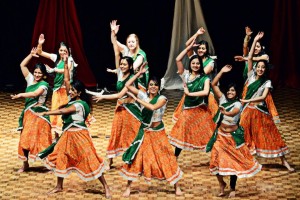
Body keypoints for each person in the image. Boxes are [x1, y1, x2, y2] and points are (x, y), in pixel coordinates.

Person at [37, 54, 111, 198]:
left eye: (72, 91)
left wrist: (46, 113)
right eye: (70, 90)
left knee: (90, 159)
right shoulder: (73, 98)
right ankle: (59, 186)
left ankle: (106, 186)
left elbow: (63, 111)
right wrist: (65, 64)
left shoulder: (79, 104)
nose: (69, 92)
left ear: (79, 93)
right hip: (67, 135)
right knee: (61, 157)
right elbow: (66, 80)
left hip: (79, 135)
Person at [120, 64, 183, 197]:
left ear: (159, 87)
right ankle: (128, 187)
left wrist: (137, 99)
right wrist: (137, 74)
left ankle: (176, 186)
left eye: (155, 85)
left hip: (158, 133)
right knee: (136, 158)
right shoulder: (143, 95)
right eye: (151, 85)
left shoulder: (162, 98)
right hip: (145, 132)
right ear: (148, 87)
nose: (153, 87)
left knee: (167, 158)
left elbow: (153, 107)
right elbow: (127, 86)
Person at [88, 30, 144, 168]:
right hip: (120, 108)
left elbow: (119, 95)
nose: (122, 66)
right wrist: (113, 34)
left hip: (131, 109)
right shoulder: (120, 71)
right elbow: (116, 52)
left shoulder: (131, 76)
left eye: (125, 64)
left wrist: (102, 96)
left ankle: (136, 158)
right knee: (116, 133)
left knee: (135, 134)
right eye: (121, 65)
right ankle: (110, 160)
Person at [239, 32, 294, 172]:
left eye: (263, 68)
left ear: (265, 69)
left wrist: (248, 100)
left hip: (260, 111)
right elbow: (250, 57)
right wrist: (255, 40)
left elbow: (263, 97)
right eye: (259, 67)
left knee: (271, 134)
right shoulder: (251, 75)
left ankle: (284, 162)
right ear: (255, 68)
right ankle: (244, 160)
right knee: (243, 134)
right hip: (248, 111)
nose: (261, 69)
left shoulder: (267, 82)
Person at [206, 64, 262, 198]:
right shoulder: (223, 98)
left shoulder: (237, 104)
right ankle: (221, 184)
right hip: (220, 136)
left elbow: (233, 113)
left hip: (232, 138)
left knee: (232, 164)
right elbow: (213, 84)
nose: (230, 93)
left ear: (236, 92)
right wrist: (221, 72)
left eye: (233, 91)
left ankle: (232, 188)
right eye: (229, 91)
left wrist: (226, 112)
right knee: (214, 162)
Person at [168, 40, 216, 158]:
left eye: (198, 64)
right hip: (188, 111)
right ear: (190, 64)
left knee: (209, 135)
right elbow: (178, 59)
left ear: (201, 65)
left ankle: (217, 157)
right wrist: (188, 47)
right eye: (193, 63)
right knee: (182, 133)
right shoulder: (186, 75)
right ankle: (175, 158)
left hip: (201, 111)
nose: (195, 65)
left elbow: (205, 92)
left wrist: (189, 93)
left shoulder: (204, 79)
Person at [11, 48, 52, 172]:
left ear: (43, 74)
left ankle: (50, 164)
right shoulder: (30, 79)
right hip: (29, 115)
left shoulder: (44, 85)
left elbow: (35, 94)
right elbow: (22, 65)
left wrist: (21, 95)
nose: (37, 74)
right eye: (35, 72)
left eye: (40, 73)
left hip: (40, 115)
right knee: (25, 138)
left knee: (43, 140)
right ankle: (25, 164)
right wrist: (31, 55)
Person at [234, 26, 280, 123]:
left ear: (262, 48)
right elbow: (245, 47)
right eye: (254, 47)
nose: (255, 48)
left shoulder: (264, 56)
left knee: (262, 108)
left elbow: (254, 59)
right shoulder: (248, 57)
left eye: (258, 47)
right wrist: (247, 37)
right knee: (246, 108)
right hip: (249, 83)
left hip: (261, 85)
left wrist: (244, 59)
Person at [173, 27, 218, 122]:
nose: (201, 50)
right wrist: (197, 34)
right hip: (191, 88)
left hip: (204, 89)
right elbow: (187, 45)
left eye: (203, 48)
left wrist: (186, 74)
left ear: (206, 50)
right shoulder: (194, 58)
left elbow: (202, 74)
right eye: (199, 48)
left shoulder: (210, 62)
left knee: (205, 120)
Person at [37, 34, 77, 134]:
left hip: (66, 89)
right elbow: (40, 52)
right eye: (61, 50)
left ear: (68, 51)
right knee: (55, 109)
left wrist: (53, 69)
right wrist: (40, 44)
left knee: (64, 109)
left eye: (65, 50)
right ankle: (56, 133)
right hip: (57, 89)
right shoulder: (56, 58)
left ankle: (65, 131)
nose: (63, 52)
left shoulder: (70, 59)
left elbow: (65, 69)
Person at [110, 20, 149, 91]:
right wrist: (113, 33)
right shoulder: (126, 50)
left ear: (137, 43)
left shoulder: (141, 54)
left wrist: (118, 70)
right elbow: (114, 42)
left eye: (133, 42)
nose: (131, 44)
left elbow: (132, 67)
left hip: (140, 80)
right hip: (130, 77)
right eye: (129, 42)